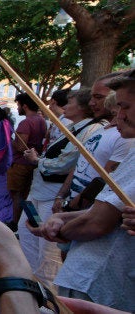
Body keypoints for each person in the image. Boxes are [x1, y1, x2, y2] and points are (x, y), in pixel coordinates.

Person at [27, 70, 135, 312]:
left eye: (125, 106)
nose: (119, 116)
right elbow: (106, 209)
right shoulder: (106, 133)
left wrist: (56, 228)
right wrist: (63, 215)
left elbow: (98, 222)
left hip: (99, 281)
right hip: (91, 274)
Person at [0, 193, 129, 314]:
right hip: (88, 279)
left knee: (45, 265)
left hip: (101, 280)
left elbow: (97, 221)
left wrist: (10, 268)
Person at [18, 89, 102, 290]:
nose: (65, 106)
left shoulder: (91, 130)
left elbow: (65, 163)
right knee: (26, 232)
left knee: (47, 249)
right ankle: (29, 282)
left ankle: (46, 296)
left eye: (70, 102)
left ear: (82, 107)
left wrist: (38, 160)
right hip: (39, 191)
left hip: (52, 195)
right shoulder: (72, 127)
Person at [5, 93, 47, 232]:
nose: (17, 108)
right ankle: (24, 221)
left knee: (17, 194)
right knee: (26, 194)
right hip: (32, 163)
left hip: (21, 164)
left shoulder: (26, 122)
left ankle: (15, 223)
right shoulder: (41, 121)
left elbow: (21, 146)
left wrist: (9, 140)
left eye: (18, 105)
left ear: (25, 105)